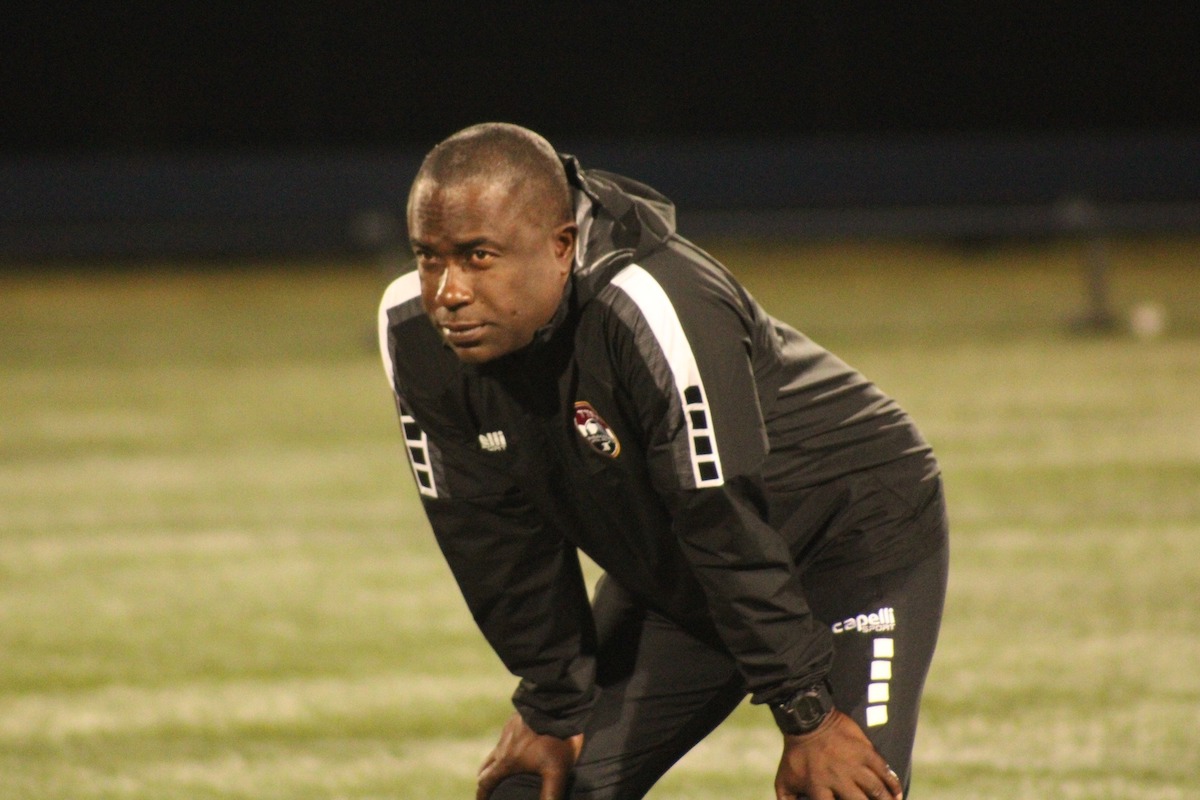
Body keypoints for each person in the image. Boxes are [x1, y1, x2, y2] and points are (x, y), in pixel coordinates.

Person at [378, 122, 949, 800]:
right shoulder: (413, 332)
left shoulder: (654, 303)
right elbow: (490, 538)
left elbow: (723, 517)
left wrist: (807, 713)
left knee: (843, 792)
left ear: (561, 246)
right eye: (428, 256)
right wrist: (552, 701)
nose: (447, 291)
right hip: (684, 568)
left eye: (477, 257)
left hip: (848, 540)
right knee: (531, 794)